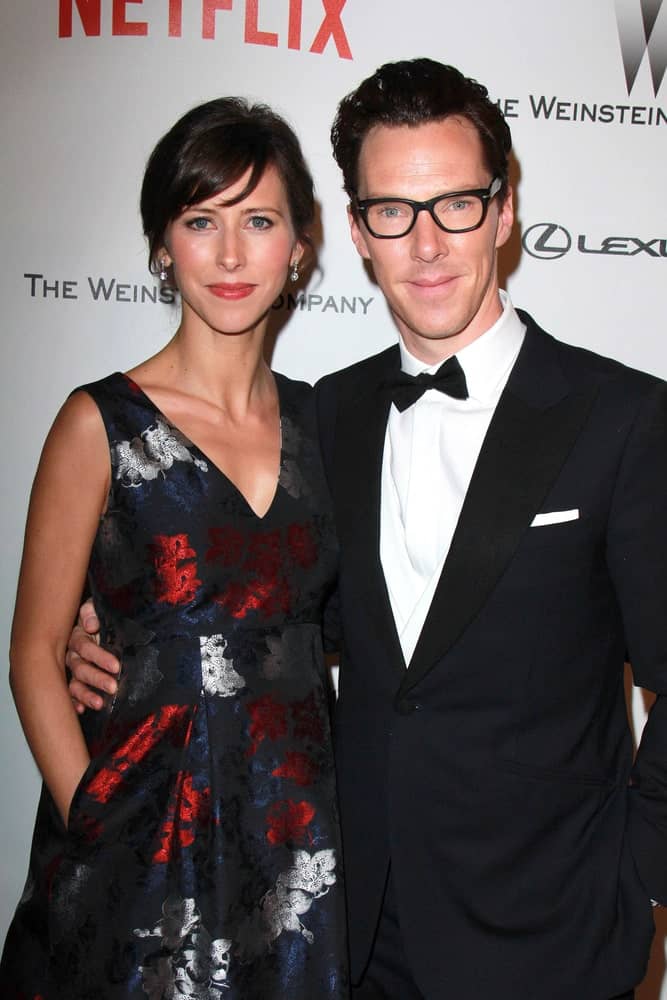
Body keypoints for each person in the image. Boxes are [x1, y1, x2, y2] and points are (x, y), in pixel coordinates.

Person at [68, 59, 667, 999]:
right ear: (356, 232)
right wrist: (122, 634)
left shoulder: (624, 419)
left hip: (555, 930)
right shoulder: (324, 418)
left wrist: (638, 877)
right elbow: (277, 612)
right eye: (392, 211)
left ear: (503, 213)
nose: (426, 245)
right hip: (353, 930)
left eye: (455, 205)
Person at [1, 97, 347, 999]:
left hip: (302, 843)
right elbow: (36, 651)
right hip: (140, 840)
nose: (231, 256)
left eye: (258, 221)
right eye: (201, 221)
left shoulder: (332, 426)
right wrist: (99, 820)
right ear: (163, 244)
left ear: (299, 246)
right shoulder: (98, 423)